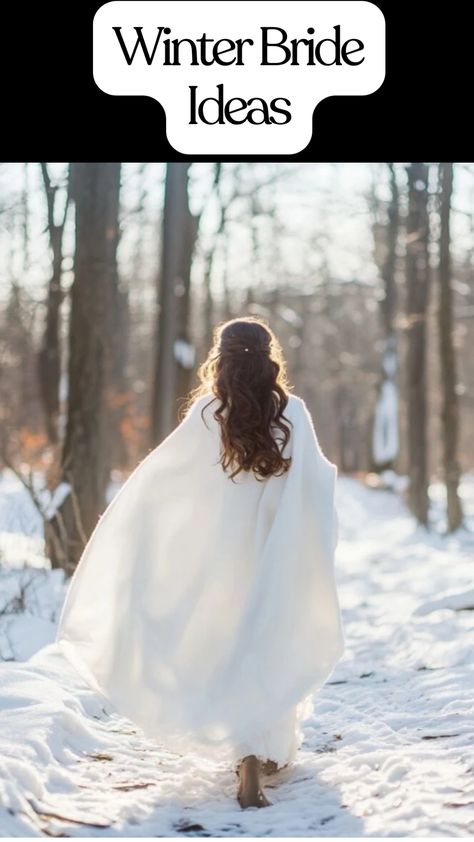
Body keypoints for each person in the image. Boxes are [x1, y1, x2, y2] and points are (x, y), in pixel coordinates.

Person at [57, 316, 344, 809]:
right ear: (269, 355)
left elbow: (164, 484)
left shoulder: (210, 412)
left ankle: (246, 756)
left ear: (223, 357)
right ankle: (258, 754)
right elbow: (316, 490)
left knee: (230, 644)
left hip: (222, 558)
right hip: (275, 549)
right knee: (267, 641)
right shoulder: (293, 412)